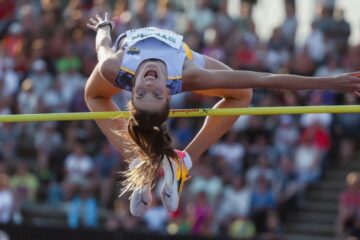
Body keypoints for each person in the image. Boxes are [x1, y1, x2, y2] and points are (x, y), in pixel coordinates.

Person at [85, 13, 360, 216]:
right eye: (155, 94)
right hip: (181, 57)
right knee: (243, 95)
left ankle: (168, 161)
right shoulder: (188, 76)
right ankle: (149, 160)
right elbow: (264, 79)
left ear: (131, 91)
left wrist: (104, 28)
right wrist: (328, 81)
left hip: (169, 55)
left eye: (142, 93)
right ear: (168, 93)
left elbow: (103, 46)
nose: (147, 85)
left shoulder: (116, 68)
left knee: (94, 93)